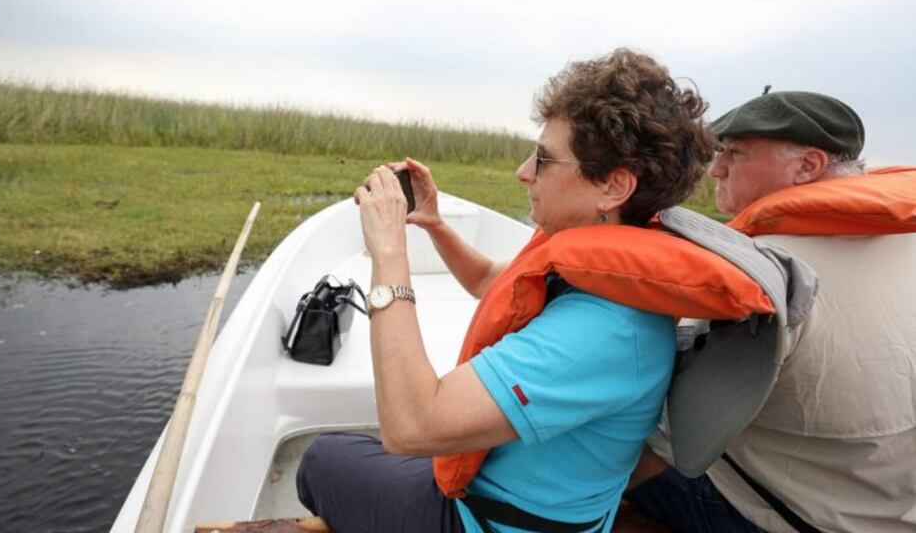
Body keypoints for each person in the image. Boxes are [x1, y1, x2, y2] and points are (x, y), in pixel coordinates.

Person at [295, 49, 768, 533]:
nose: (524, 171)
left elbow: (410, 426)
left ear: (612, 186)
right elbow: (487, 281)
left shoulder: (605, 329)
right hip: (526, 506)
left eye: (543, 158)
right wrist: (434, 225)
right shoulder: (609, 270)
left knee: (324, 457)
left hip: (485, 524)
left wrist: (388, 252)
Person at [625, 90, 916, 532]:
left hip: (792, 517)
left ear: (808, 166)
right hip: (889, 506)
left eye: (734, 154)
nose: (716, 168)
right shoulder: (904, 238)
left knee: (605, 449)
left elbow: (669, 441)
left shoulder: (760, 274)